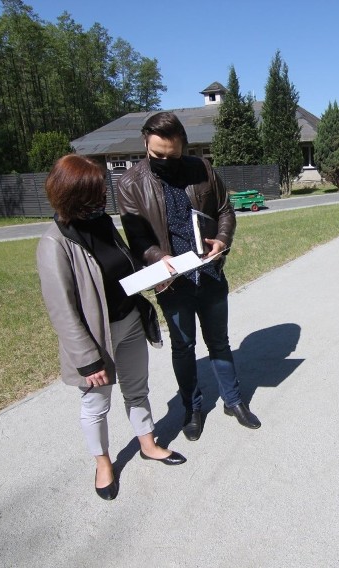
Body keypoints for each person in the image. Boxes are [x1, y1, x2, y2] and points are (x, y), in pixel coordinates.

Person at [36, 154, 186, 502]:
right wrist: (88, 360)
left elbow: (124, 269)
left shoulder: (102, 222)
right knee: (95, 405)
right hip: (95, 341)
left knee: (137, 390)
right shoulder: (54, 244)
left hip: (130, 323)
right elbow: (62, 311)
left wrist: (156, 272)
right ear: (73, 195)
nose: (105, 196)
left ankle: (147, 443)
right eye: (97, 191)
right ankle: (103, 463)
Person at [117, 111, 260, 442]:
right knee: (183, 347)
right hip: (172, 281)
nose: (166, 161)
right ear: (145, 144)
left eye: (173, 155)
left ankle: (234, 401)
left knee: (219, 342)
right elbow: (136, 236)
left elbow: (224, 209)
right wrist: (157, 257)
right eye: (157, 156)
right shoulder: (130, 184)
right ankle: (192, 408)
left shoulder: (201, 169)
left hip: (209, 274)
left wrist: (222, 239)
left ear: (183, 146)